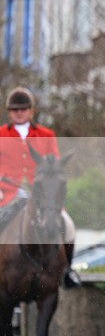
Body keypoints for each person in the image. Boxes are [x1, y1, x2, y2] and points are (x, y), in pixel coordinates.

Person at [0, 87, 82, 288]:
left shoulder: (46, 134)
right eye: (14, 109)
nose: (19, 113)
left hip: (41, 197)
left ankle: (67, 272)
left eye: (23, 109)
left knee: (69, 226)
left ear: (31, 111)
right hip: (7, 194)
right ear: (9, 112)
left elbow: (53, 165)